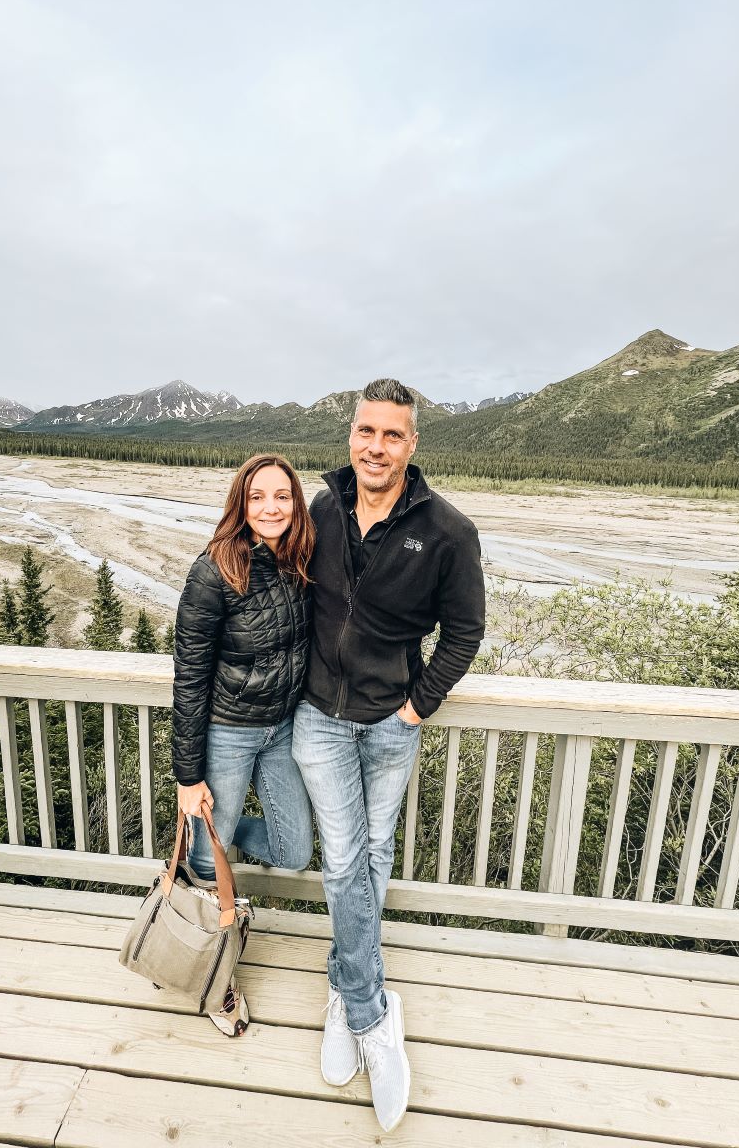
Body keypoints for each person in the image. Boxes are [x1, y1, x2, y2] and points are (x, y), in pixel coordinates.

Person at [292, 378, 485, 1131]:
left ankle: (345, 986)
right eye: (366, 431)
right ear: (351, 436)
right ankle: (373, 1016)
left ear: (413, 444)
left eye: (392, 435)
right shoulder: (321, 508)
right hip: (318, 718)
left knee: (372, 855)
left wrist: (416, 705)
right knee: (344, 860)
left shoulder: (447, 532)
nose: (376, 446)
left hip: (390, 723)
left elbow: (463, 632)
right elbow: (293, 595)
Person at [171, 453, 315, 1036]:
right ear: (241, 502)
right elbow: (189, 676)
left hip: (281, 729)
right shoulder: (213, 570)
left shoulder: (300, 561)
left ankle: (213, 854)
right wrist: (188, 778)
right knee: (210, 861)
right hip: (227, 732)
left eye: (282, 496)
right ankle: (215, 982)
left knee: (296, 848)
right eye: (258, 497)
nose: (271, 507)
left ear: (296, 504)